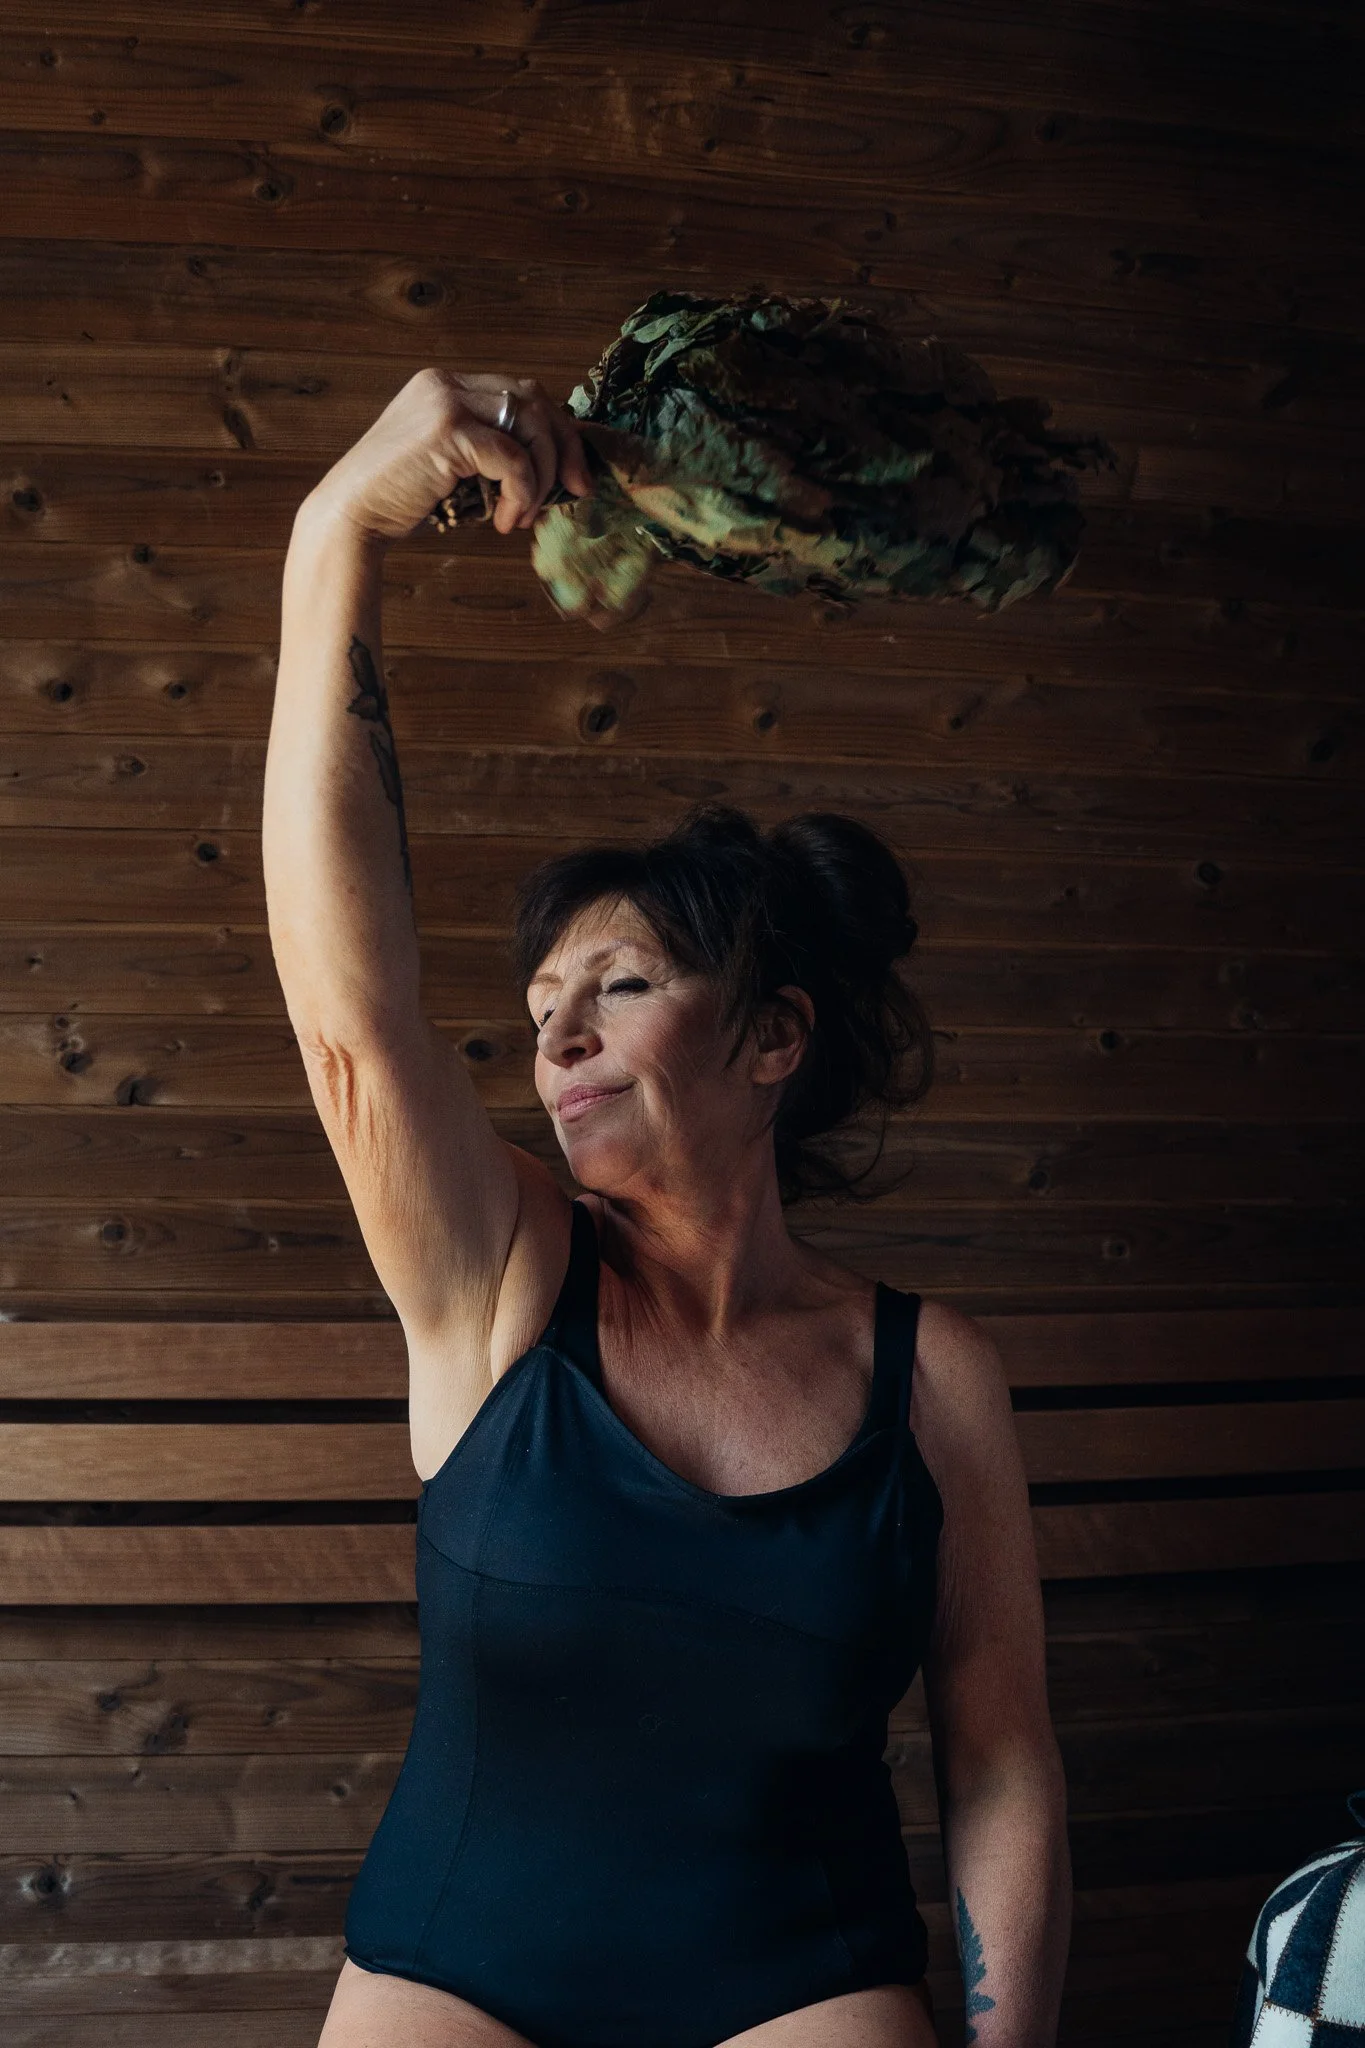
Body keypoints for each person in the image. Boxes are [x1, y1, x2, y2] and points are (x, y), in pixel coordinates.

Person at [264, 368, 1072, 2048]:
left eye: (621, 984)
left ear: (772, 1038)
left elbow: (1000, 1770)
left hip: (798, 1984)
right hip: (454, 1979)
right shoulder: (500, 1283)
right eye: (547, 993)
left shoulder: (935, 1385)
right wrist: (334, 527)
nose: (558, 1028)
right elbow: (352, 1021)